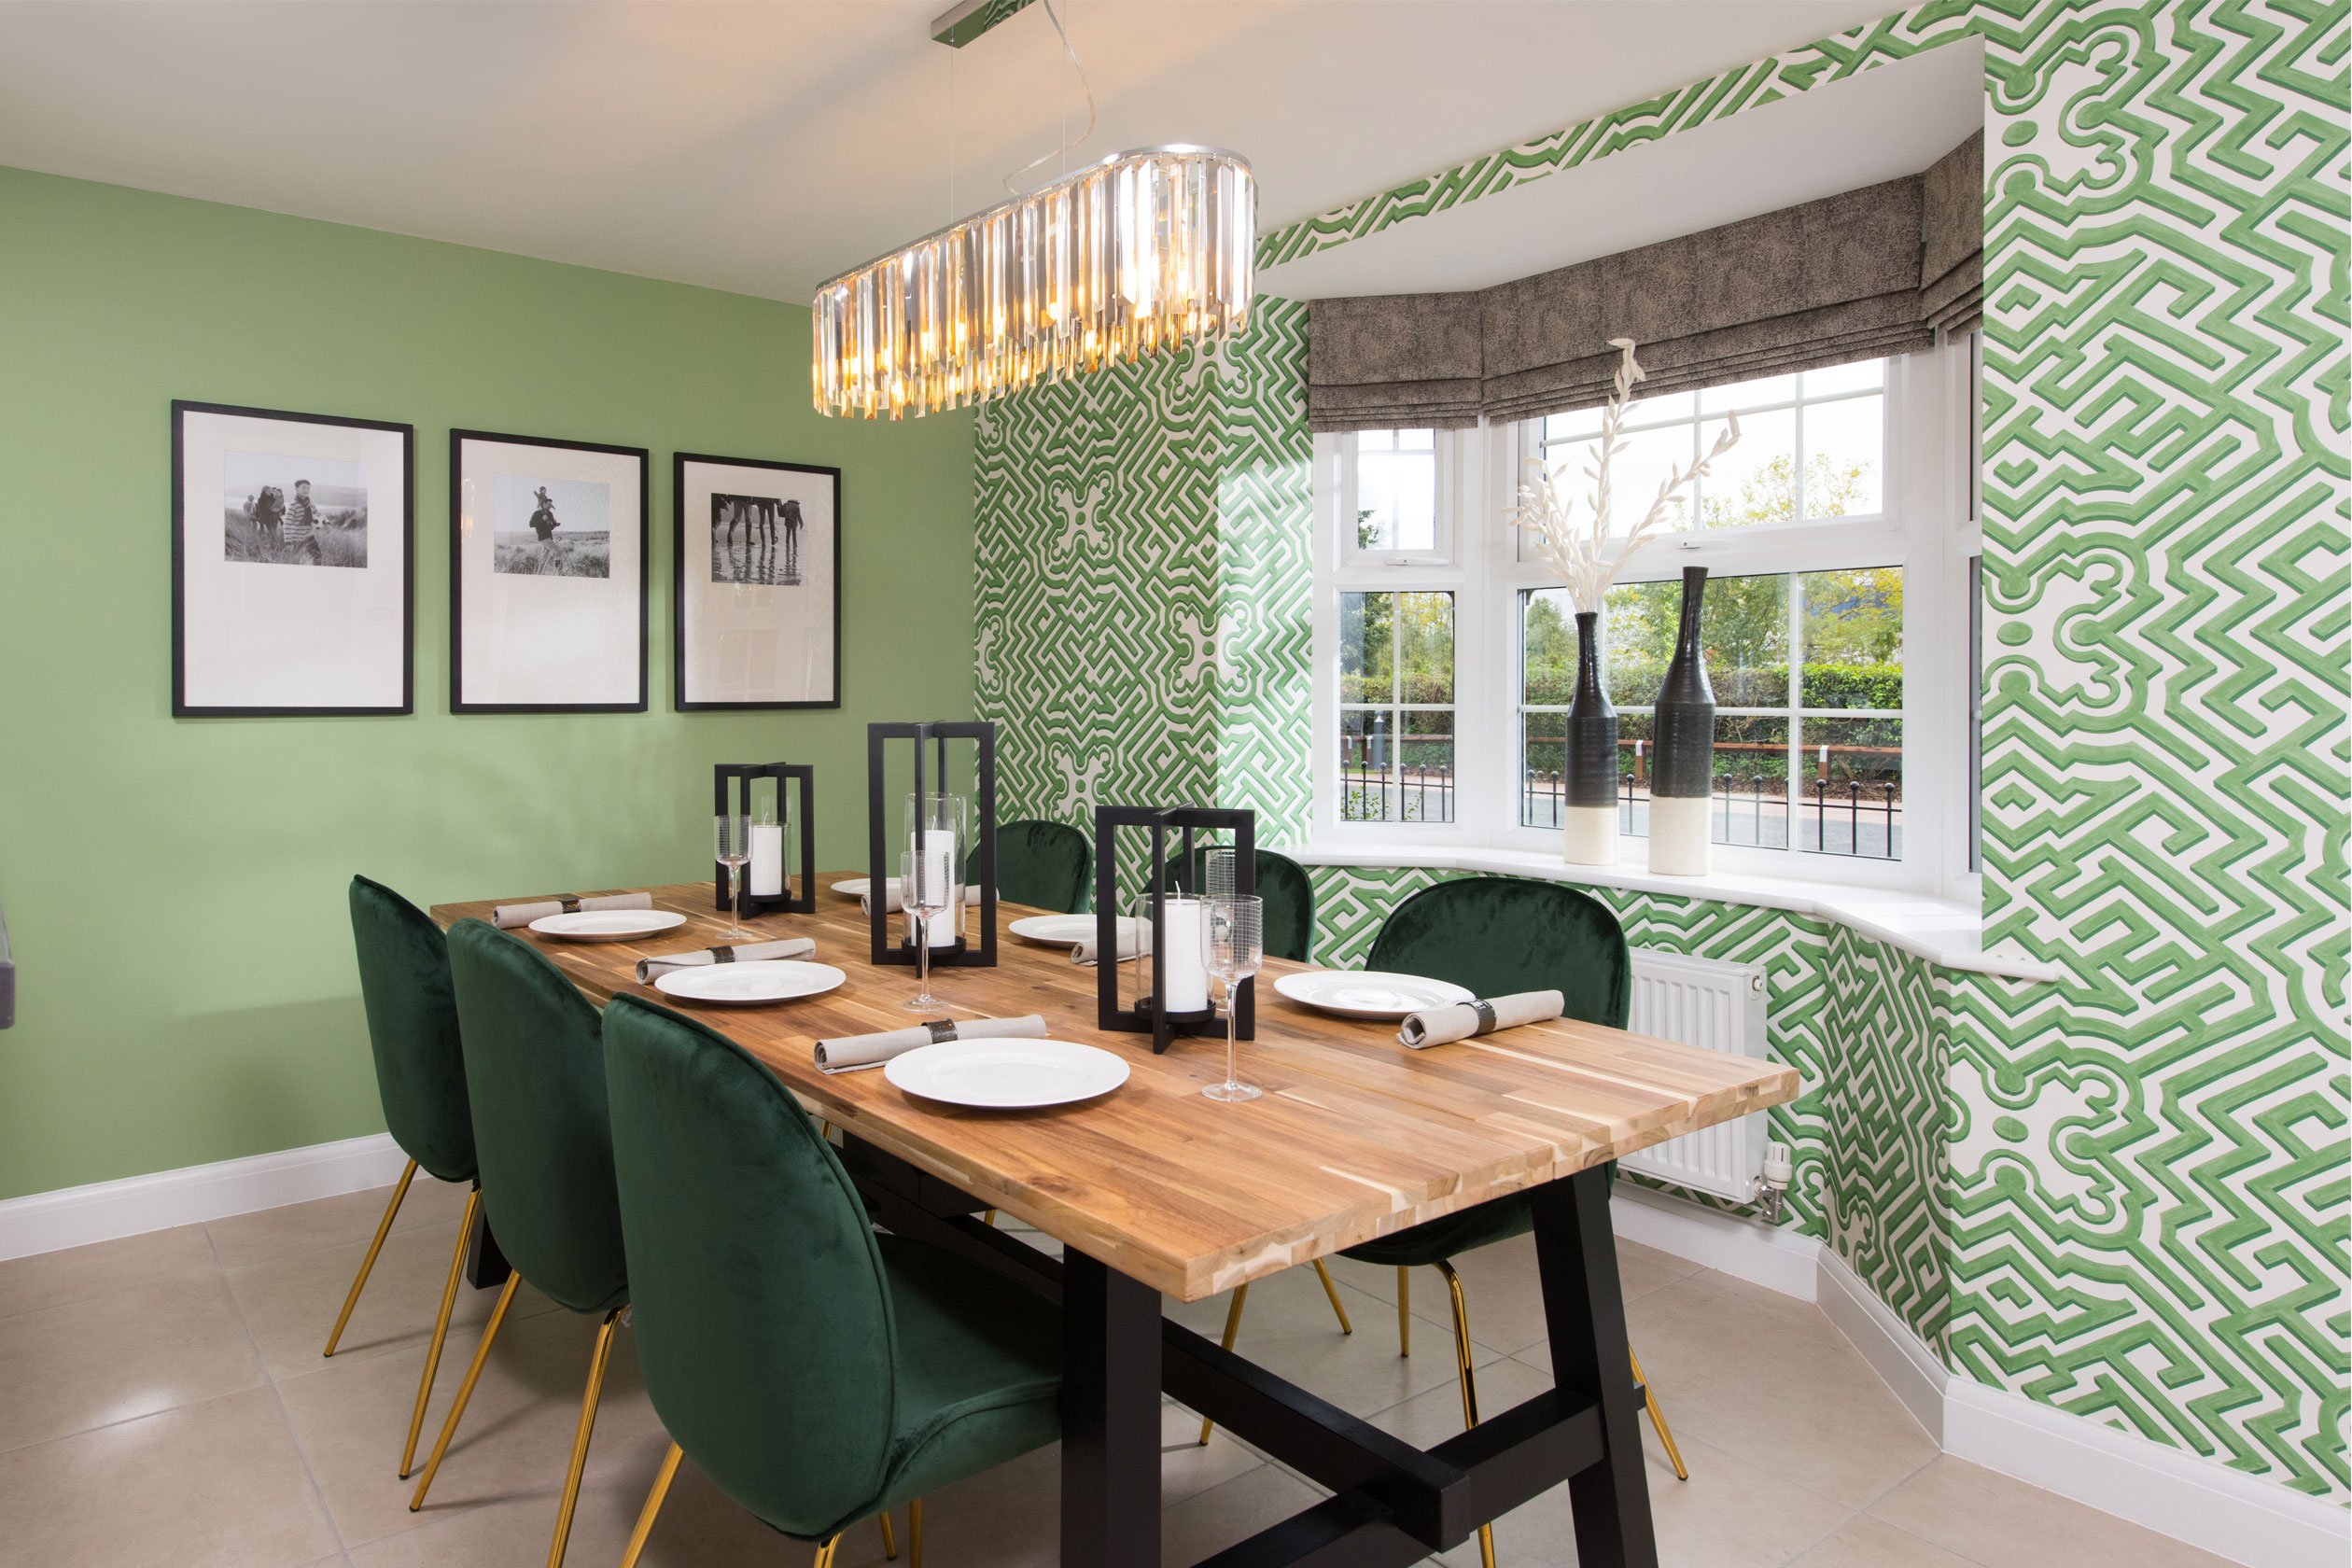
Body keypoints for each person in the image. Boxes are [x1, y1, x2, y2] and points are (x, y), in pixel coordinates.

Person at [281, 479, 324, 564]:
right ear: (297, 489)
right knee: (294, 559)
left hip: (309, 535)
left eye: (308, 488)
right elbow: (287, 524)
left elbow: (316, 514)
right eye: (304, 487)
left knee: (318, 556)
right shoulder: (294, 505)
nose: (306, 490)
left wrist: (325, 522)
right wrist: (288, 542)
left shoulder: (310, 503)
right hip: (297, 537)